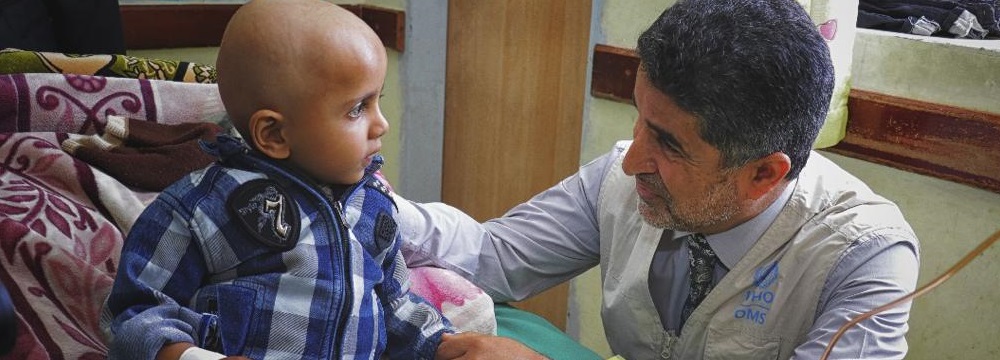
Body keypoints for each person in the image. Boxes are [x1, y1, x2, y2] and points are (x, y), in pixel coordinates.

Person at [396, 0, 920, 359]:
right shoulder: (624, 180)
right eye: (639, 119)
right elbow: (490, 257)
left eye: (668, 143)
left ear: (764, 173)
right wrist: (365, 204)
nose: (631, 162)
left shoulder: (864, 257)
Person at [100, 1, 466, 359]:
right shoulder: (201, 209)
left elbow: (394, 306)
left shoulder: (374, 209)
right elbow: (136, 313)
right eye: (357, 108)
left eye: (377, 102)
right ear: (273, 134)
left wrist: (445, 343)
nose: (381, 124)